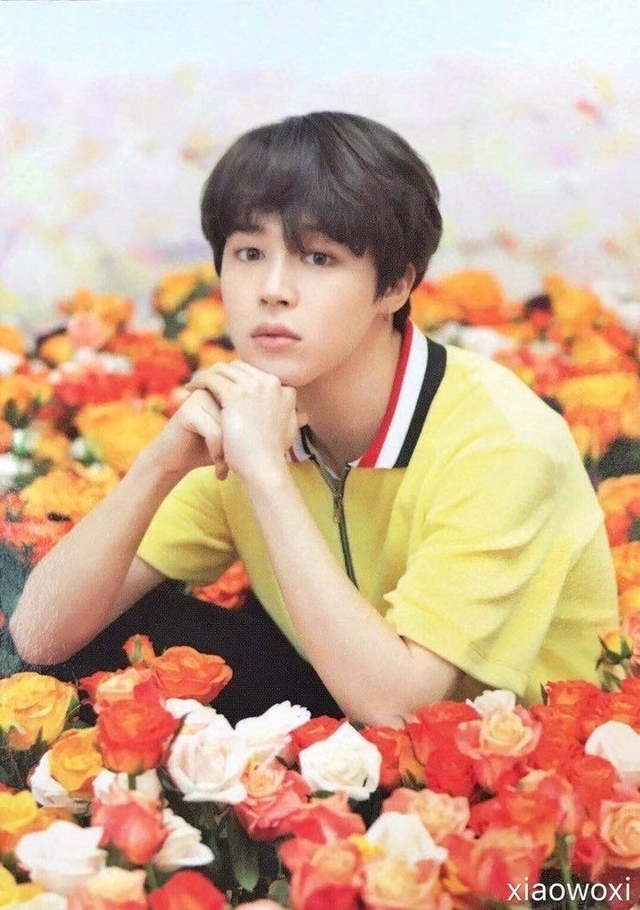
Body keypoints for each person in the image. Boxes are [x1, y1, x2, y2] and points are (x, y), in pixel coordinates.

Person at [10, 111, 618, 727]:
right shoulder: (256, 413)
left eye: (319, 258)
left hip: (514, 750)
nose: (273, 289)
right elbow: (41, 638)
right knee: (111, 626)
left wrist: (266, 476)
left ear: (395, 287)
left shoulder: (500, 443)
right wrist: (159, 465)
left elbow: (402, 711)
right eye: (249, 253)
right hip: (338, 699)